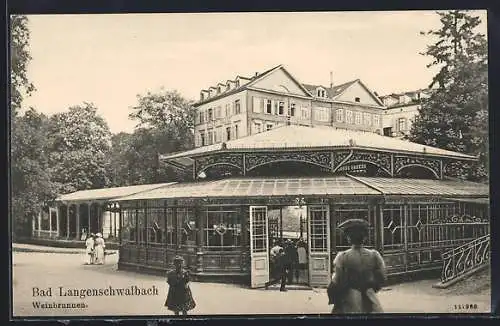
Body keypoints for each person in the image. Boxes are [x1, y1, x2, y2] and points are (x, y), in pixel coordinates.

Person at [328, 219, 386, 314]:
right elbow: (382, 277)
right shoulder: (374, 255)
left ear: (348, 238)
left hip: (349, 299)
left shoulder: (342, 257)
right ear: (364, 238)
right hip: (370, 299)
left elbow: (335, 281)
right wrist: (370, 289)